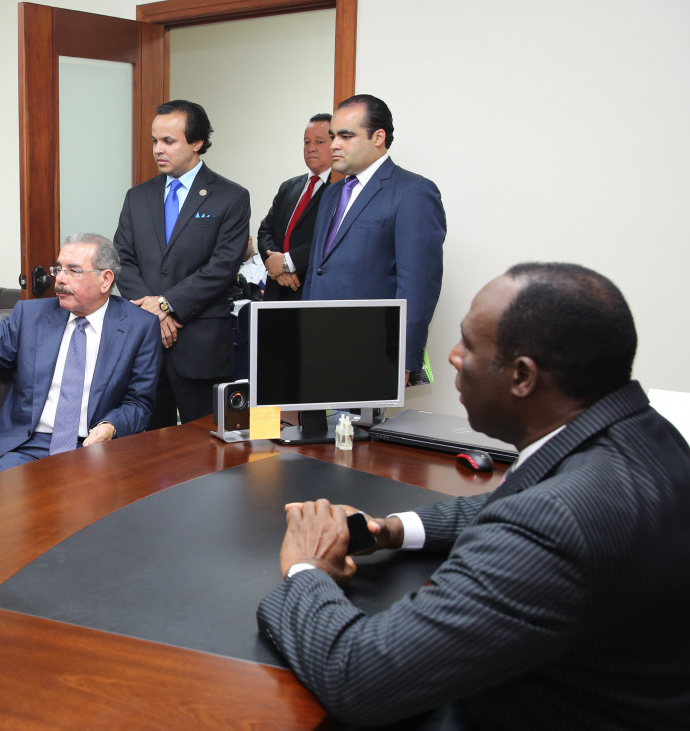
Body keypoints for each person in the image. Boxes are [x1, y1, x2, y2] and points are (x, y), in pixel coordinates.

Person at [257, 263, 690, 729]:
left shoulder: (556, 523)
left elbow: (359, 676)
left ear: (522, 376)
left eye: (468, 344)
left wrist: (307, 567)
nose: (452, 356)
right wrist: (392, 530)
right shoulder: (646, 435)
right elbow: (517, 501)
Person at [0, 233, 160, 475]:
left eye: (73, 271)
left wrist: (111, 426)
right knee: (7, 495)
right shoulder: (30, 316)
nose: (60, 279)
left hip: (93, 448)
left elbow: (138, 403)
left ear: (105, 279)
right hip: (25, 447)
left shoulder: (139, 327)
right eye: (58, 269)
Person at [114, 99, 250, 430]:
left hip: (199, 345)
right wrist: (154, 312)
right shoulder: (138, 197)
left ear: (197, 142)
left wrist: (166, 304)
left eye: (168, 141)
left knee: (204, 444)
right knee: (147, 444)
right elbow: (122, 259)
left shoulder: (230, 197)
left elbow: (222, 267)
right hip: (145, 345)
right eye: (154, 141)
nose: (158, 149)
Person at [302, 94, 445, 382]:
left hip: (372, 352)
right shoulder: (332, 193)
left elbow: (418, 285)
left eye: (346, 136)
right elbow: (318, 271)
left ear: (378, 137)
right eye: (333, 136)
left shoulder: (413, 191)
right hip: (317, 345)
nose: (334, 145)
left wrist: (403, 358)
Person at [254, 112, 332, 302]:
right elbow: (265, 231)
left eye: (319, 142)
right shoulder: (289, 187)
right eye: (306, 142)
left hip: (309, 288)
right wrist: (277, 266)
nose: (311, 148)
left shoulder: (341, 189)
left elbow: (331, 239)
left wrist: (287, 263)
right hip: (276, 289)